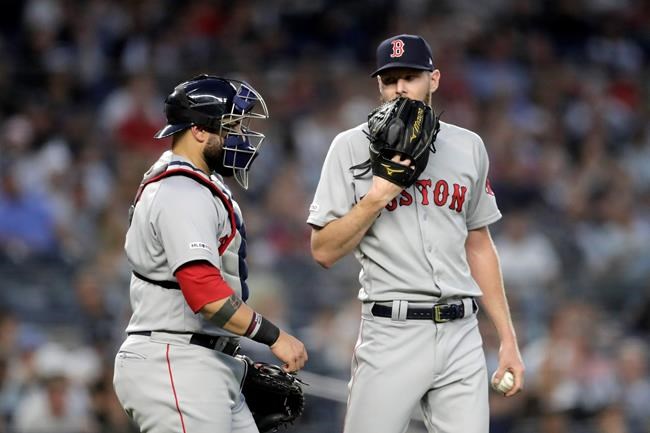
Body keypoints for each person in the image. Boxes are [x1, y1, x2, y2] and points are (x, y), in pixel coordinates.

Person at [307, 34, 524, 433]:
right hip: (392, 330)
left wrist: (507, 338)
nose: (400, 88)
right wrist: (377, 197)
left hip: (462, 332)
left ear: (434, 79)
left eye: (411, 77)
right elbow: (323, 250)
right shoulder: (350, 148)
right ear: (379, 87)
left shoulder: (468, 146)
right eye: (389, 80)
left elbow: (479, 245)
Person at [113, 74, 308, 433]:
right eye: (231, 127)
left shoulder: (197, 184)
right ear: (199, 131)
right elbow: (204, 293)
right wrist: (274, 337)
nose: (242, 138)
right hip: (174, 360)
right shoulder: (180, 191)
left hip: (200, 359)